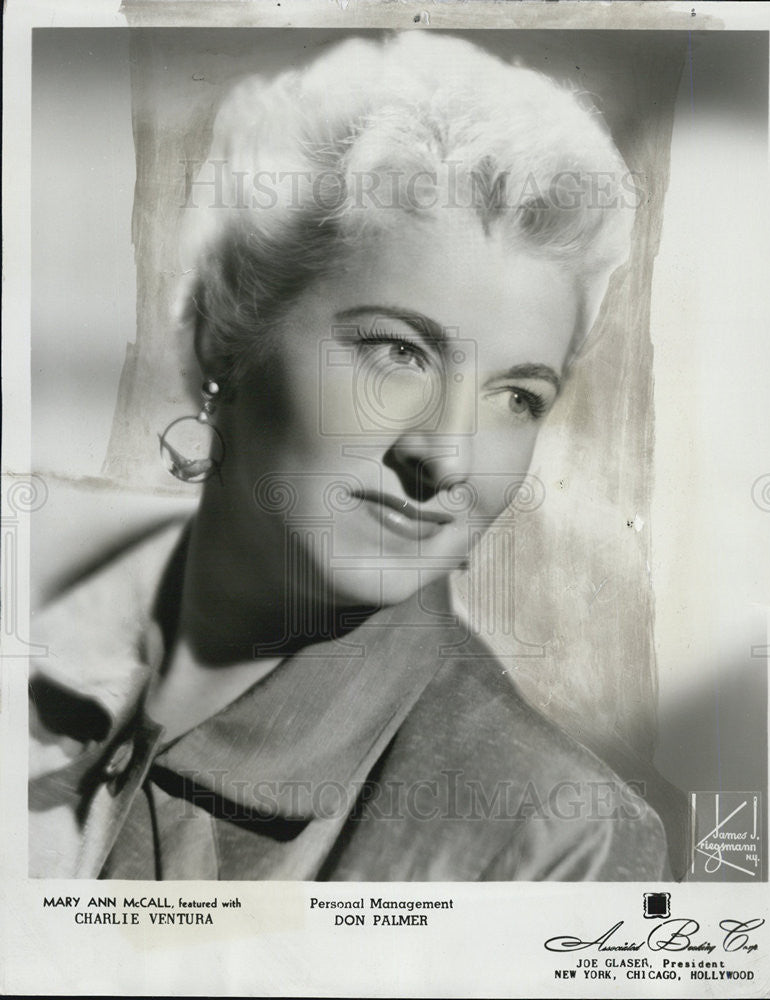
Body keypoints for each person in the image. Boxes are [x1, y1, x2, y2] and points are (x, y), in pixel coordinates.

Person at [29, 31, 673, 880]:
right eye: (398, 352)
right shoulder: (37, 596)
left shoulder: (554, 837)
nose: (445, 457)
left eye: (518, 397)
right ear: (231, 331)